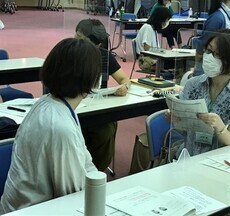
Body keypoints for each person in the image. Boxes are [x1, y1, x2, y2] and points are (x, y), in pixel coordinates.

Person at [0, 38, 101, 213]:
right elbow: (72, 197)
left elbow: (86, 162)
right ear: (91, 79)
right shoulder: (60, 126)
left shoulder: (51, 103)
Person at [168, 29, 230, 156]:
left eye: (217, 55)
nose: (209, 57)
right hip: (189, 156)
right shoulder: (193, 84)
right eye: (208, 51)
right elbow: (183, 128)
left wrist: (220, 127)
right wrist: (176, 118)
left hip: (220, 163)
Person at [75, 19, 131, 171]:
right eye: (76, 36)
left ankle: (95, 172)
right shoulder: (69, 54)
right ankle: (76, 172)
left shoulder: (104, 57)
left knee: (106, 130)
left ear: (97, 45)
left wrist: (124, 87)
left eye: (81, 39)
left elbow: (124, 79)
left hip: (98, 108)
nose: (76, 41)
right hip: (73, 108)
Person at [193, 0, 230, 76]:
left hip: (224, 66)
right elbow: (203, 45)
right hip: (211, 66)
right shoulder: (217, 18)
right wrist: (197, 65)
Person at [135, 7, 172, 71]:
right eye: (166, 20)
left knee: (175, 63)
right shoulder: (148, 28)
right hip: (146, 61)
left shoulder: (153, 29)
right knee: (177, 64)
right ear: (160, 19)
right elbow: (147, 50)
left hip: (152, 58)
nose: (166, 23)